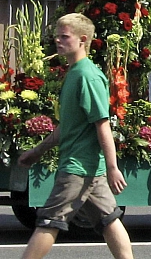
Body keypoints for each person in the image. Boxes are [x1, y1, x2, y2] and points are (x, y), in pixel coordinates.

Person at [18, 13, 133, 259]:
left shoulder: (87, 76)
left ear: (82, 40)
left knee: (49, 220)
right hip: (85, 165)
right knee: (109, 219)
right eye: (56, 36)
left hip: (78, 167)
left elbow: (102, 125)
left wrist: (113, 167)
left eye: (64, 36)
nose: (58, 41)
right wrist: (38, 152)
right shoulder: (74, 72)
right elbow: (68, 125)